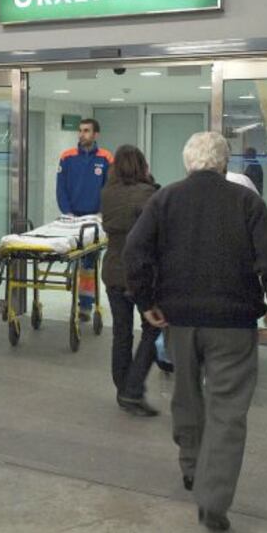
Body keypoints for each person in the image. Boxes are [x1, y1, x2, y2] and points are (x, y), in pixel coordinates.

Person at [123, 131, 267, 532]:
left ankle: (190, 467)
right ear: (223, 163)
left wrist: (146, 302)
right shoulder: (246, 201)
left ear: (188, 163)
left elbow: (135, 249)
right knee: (228, 411)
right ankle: (213, 501)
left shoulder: (164, 200)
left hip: (179, 320)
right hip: (234, 325)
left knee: (186, 395)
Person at [101, 145, 164, 417]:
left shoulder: (107, 193)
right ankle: (133, 388)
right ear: (142, 166)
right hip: (141, 273)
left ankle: (123, 387)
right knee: (154, 326)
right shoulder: (149, 194)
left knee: (121, 332)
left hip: (113, 270)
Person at [56, 118, 113, 321]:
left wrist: (101, 213)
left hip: (94, 220)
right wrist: (67, 212)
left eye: (86, 131)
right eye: (80, 130)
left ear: (96, 134)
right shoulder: (67, 157)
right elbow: (61, 189)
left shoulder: (106, 158)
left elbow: (109, 188)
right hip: (72, 217)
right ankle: (76, 292)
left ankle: (85, 306)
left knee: (88, 265)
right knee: (73, 259)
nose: (82, 134)